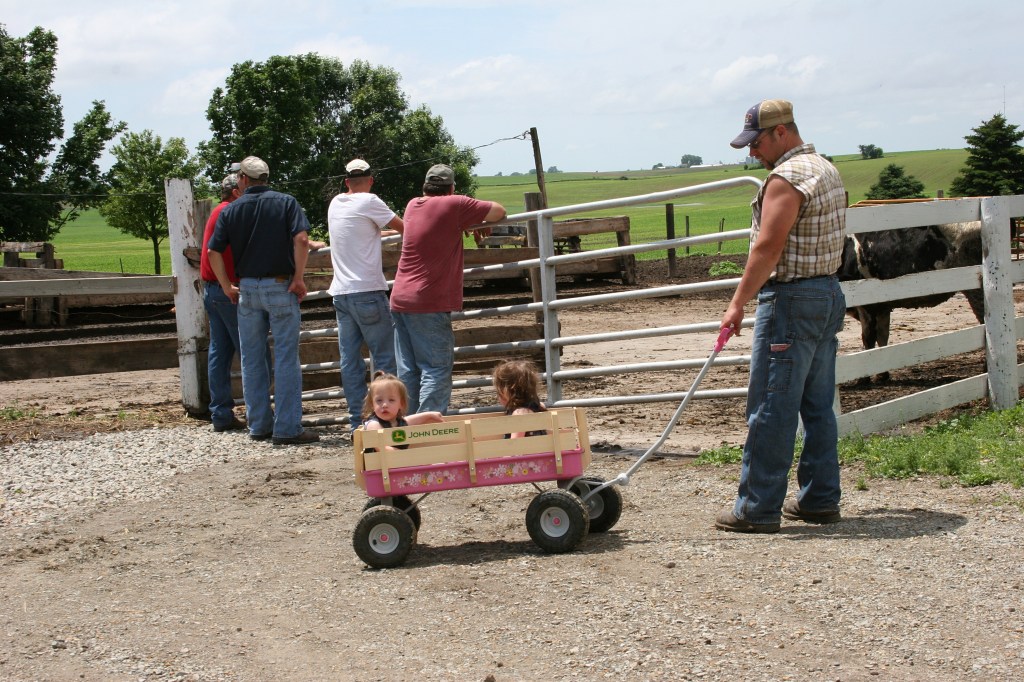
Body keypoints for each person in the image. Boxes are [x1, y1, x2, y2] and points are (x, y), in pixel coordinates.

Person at [715, 99, 848, 533]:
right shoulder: (824, 168)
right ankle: (820, 498)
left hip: (790, 299)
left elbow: (767, 248)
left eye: (756, 143)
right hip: (827, 293)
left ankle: (757, 507)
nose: (752, 152)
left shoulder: (786, 178)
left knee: (772, 406)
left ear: (781, 132)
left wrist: (737, 304)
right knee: (817, 404)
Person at [207, 156, 321, 446]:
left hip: (246, 289)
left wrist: (225, 285)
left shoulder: (231, 210)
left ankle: (258, 424)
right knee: (285, 357)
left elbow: (213, 252)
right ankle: (288, 427)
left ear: (243, 179)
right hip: (280, 285)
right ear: (266, 177)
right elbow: (302, 240)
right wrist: (298, 276)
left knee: (251, 358)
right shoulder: (286, 202)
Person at [390, 164, 506, 415]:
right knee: (436, 368)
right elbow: (499, 211)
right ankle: (428, 432)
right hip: (428, 300)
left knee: (408, 370)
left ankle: (406, 431)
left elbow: (437, 225)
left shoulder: (413, 205)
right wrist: (475, 221)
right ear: (452, 188)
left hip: (400, 298)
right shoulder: (455, 204)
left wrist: (468, 222)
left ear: (425, 187)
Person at [327, 159, 404, 431]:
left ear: (346, 181)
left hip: (341, 293)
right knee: (384, 358)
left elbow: (361, 229)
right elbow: (403, 227)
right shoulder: (371, 201)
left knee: (350, 361)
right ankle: (387, 419)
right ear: (371, 180)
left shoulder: (336, 203)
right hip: (367, 291)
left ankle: (356, 421)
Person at [199, 173, 246, 432]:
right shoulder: (230, 214)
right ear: (236, 192)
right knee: (249, 350)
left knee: (220, 351)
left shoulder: (218, 211)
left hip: (212, 289)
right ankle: (259, 410)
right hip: (228, 290)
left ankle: (221, 414)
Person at [362, 372, 444, 449]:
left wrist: (429, 415)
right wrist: (410, 457)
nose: (385, 405)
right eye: (379, 400)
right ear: (372, 404)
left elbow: (410, 420)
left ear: (401, 404)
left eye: (391, 400)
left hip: (400, 462)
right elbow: (383, 449)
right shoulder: (373, 425)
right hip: (381, 463)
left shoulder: (399, 422)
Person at [492, 359, 547, 438]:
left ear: (507, 392)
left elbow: (516, 444)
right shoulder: (539, 406)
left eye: (498, 393)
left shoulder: (519, 414)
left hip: (529, 450)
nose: (497, 397)